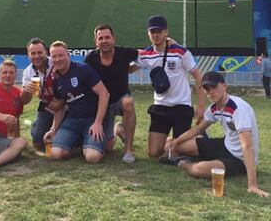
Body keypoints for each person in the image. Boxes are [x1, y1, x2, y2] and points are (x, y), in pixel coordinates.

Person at [161, 71, 269, 198]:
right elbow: (198, 129)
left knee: (198, 170)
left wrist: (252, 185)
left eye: (214, 87)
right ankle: (189, 154)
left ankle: (183, 163)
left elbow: (247, 147)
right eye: (207, 88)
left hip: (239, 159)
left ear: (224, 86)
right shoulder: (214, 108)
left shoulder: (237, 108)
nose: (210, 92)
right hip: (225, 145)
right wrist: (176, 142)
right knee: (175, 146)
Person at [136, 15, 206, 158]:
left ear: (166, 32)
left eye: (159, 31)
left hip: (181, 106)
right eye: (152, 31)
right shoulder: (146, 54)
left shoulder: (181, 52)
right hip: (160, 107)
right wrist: (128, 55)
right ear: (148, 33)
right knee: (154, 153)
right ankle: (170, 141)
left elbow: (198, 76)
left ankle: (197, 137)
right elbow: (129, 68)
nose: (156, 34)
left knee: (179, 152)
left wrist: (201, 105)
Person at [43, 40, 109, 163]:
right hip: (72, 120)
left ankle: (108, 137)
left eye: (61, 55)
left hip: (92, 119)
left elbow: (104, 94)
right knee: (54, 154)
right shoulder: (56, 79)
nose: (57, 59)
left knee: (92, 157)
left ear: (68, 55)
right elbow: (60, 106)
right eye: (54, 56)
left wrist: (98, 122)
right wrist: (53, 129)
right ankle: (80, 146)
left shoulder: (83, 69)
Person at [84, 24, 138, 164]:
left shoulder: (124, 53)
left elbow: (146, 54)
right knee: (108, 149)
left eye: (107, 37)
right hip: (102, 105)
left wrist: (168, 44)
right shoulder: (91, 58)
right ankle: (118, 130)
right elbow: (83, 76)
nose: (104, 40)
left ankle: (129, 150)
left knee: (128, 103)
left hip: (120, 100)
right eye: (100, 38)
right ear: (96, 41)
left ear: (113, 39)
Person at [22, 37, 59, 150]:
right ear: (28, 55)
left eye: (39, 52)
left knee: (59, 141)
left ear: (46, 52)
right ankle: (37, 126)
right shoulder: (28, 72)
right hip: (47, 107)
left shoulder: (55, 62)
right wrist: (26, 91)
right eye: (33, 53)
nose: (37, 56)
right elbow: (25, 101)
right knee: (38, 142)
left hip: (65, 107)